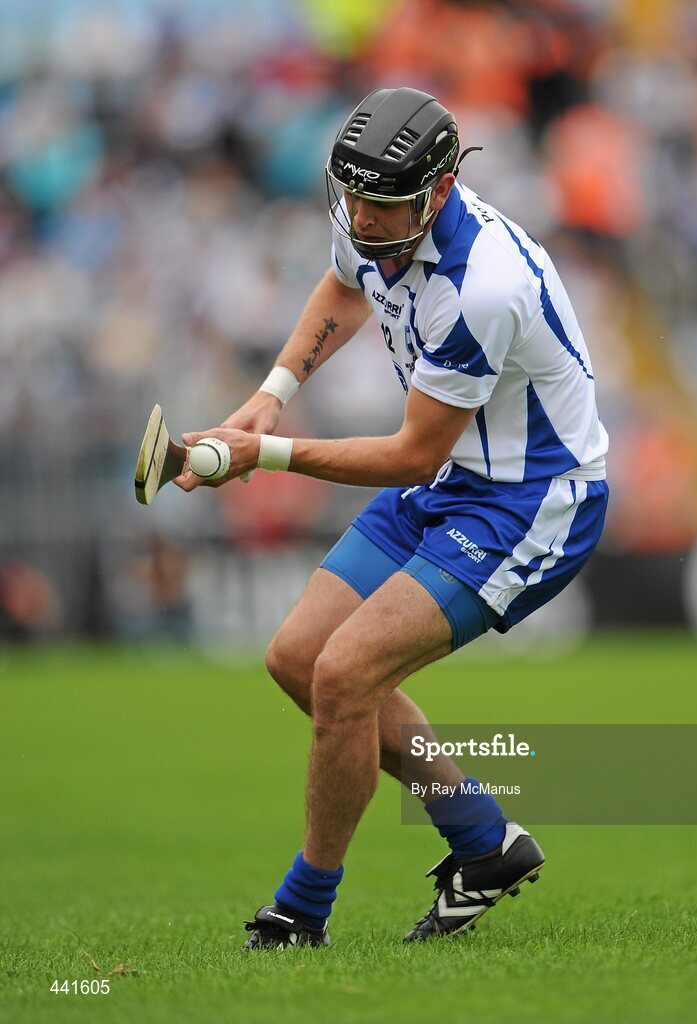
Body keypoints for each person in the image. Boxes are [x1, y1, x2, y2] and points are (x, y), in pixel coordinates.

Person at [175, 87, 610, 947]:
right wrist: (271, 397)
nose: (365, 219)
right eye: (356, 200)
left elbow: (410, 451)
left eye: (385, 205)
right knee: (296, 658)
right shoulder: (375, 204)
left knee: (344, 676)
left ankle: (302, 909)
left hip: (529, 501)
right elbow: (345, 284)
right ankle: (483, 841)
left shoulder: (484, 287)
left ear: (439, 190)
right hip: (453, 476)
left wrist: (262, 455)